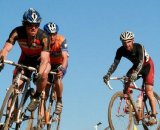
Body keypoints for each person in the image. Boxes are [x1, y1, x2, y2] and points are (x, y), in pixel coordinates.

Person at [0, 8, 51, 112]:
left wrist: (39, 74)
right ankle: (8, 118)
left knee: (45, 74)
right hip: (25, 59)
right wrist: (1, 60)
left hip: (39, 61)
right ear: (24, 24)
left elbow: (45, 60)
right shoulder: (17, 32)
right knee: (16, 85)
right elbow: (6, 49)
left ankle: (36, 97)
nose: (33, 28)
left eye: (36, 25)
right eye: (29, 25)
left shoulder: (44, 37)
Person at [103, 31, 157, 124]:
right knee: (126, 80)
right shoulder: (120, 50)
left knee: (148, 92)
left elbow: (141, 61)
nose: (126, 44)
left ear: (133, 40)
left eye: (128, 42)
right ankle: (129, 104)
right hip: (136, 67)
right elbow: (115, 64)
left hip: (147, 66)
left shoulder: (139, 46)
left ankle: (153, 116)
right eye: (124, 42)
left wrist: (136, 73)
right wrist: (108, 74)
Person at [43, 22, 69, 114]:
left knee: (57, 79)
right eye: (50, 35)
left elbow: (65, 57)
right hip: (49, 64)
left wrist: (62, 69)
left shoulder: (61, 40)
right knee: (45, 92)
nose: (52, 37)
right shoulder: (43, 40)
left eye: (54, 34)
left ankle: (59, 101)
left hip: (60, 63)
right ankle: (40, 120)